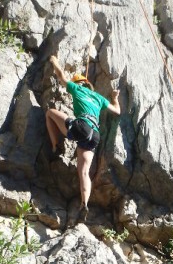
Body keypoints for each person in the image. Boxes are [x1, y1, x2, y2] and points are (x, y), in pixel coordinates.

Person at [45, 55, 121, 222]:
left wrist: (54, 61)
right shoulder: (99, 98)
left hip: (81, 126)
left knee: (50, 113)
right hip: (94, 135)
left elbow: (61, 77)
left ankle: (54, 146)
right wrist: (114, 98)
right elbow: (117, 111)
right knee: (84, 172)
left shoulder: (77, 88)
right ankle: (84, 203)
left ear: (79, 84)